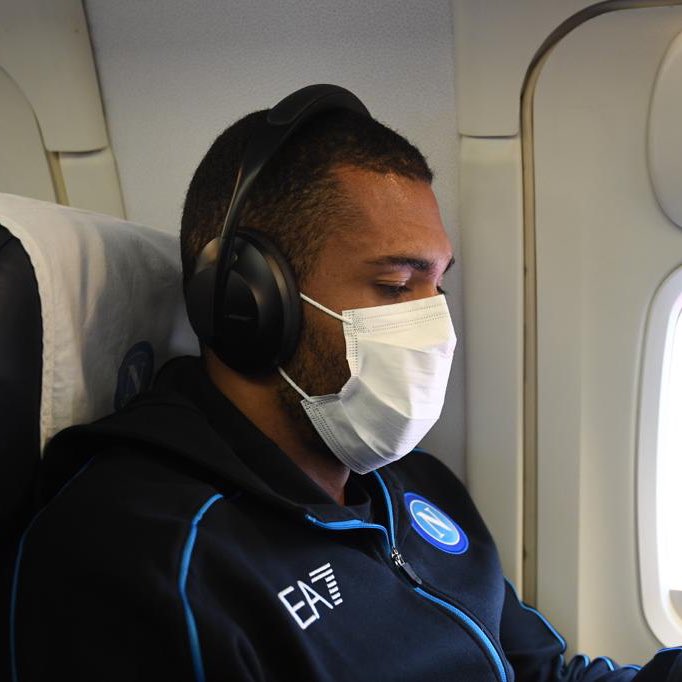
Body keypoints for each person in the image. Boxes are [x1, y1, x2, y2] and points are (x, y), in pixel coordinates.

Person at [9, 85, 682, 681]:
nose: (436, 326)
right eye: (395, 285)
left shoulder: (412, 480)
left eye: (437, 286)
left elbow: (537, 671)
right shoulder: (147, 560)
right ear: (249, 302)